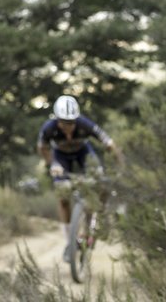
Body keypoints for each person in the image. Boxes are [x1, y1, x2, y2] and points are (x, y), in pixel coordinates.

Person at [36, 94, 123, 260]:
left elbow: (110, 144)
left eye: (71, 123)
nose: (67, 128)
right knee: (62, 195)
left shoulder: (85, 124)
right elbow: (42, 148)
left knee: (100, 182)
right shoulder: (48, 128)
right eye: (63, 123)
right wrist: (52, 163)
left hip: (84, 154)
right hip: (60, 157)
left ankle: (94, 223)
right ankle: (69, 240)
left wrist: (121, 166)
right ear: (57, 120)